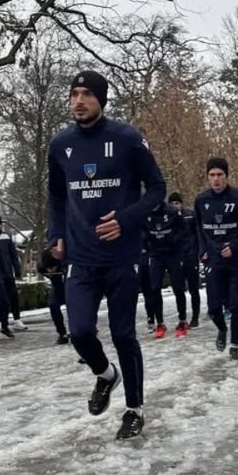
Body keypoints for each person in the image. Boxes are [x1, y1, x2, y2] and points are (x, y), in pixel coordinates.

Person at [47, 69, 164, 440]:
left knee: (123, 333)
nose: (78, 101)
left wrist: (127, 220)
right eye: (74, 94)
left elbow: (157, 189)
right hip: (80, 258)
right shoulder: (59, 144)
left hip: (122, 256)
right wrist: (56, 233)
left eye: (86, 94)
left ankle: (134, 409)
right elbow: (57, 196)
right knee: (79, 331)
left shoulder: (127, 138)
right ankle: (105, 374)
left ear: (101, 100)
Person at [195, 158, 238, 358]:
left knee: (235, 305)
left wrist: (235, 246)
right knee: (214, 308)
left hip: (236, 259)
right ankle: (222, 328)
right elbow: (199, 229)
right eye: (212, 175)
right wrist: (203, 250)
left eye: (220, 175)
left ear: (226, 176)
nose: (216, 179)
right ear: (207, 177)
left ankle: (234, 346)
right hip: (213, 259)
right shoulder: (201, 200)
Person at [144, 196, 190, 337]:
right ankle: (160, 323)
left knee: (177, 287)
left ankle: (182, 320)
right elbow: (142, 232)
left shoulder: (172, 211)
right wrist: (148, 245)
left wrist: (174, 241)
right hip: (156, 255)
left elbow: (184, 230)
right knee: (154, 287)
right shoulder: (145, 213)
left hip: (173, 254)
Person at [169, 191, 202, 328]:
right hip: (176, 257)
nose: (175, 206)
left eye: (177, 203)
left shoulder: (190, 215)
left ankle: (195, 316)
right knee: (178, 289)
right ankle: (182, 317)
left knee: (193, 288)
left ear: (181, 203)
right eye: (172, 204)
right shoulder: (168, 217)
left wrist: (198, 252)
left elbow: (198, 234)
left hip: (191, 255)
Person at [0, 215, 27, 330]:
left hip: (8, 273)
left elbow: (13, 255)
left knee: (13, 296)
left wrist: (17, 270)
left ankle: (16, 319)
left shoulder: (6, 236)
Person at [37, 245, 70, 344]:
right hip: (57, 287)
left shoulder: (65, 263)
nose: (50, 271)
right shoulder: (41, 267)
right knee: (53, 305)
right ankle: (62, 333)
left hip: (70, 285)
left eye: (53, 268)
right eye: (48, 269)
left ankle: (83, 328)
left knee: (74, 306)